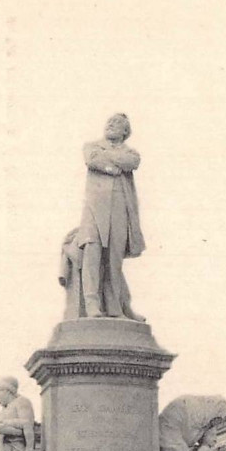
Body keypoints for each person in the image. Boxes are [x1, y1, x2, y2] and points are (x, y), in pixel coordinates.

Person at [76, 113, 145, 321]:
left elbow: (131, 162)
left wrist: (110, 161)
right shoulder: (92, 145)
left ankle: (115, 307)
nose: (110, 125)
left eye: (116, 124)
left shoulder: (131, 152)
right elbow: (92, 160)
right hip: (94, 208)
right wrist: (113, 166)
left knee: (114, 260)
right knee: (92, 253)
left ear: (125, 131)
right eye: (109, 122)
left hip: (120, 209)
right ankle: (92, 305)